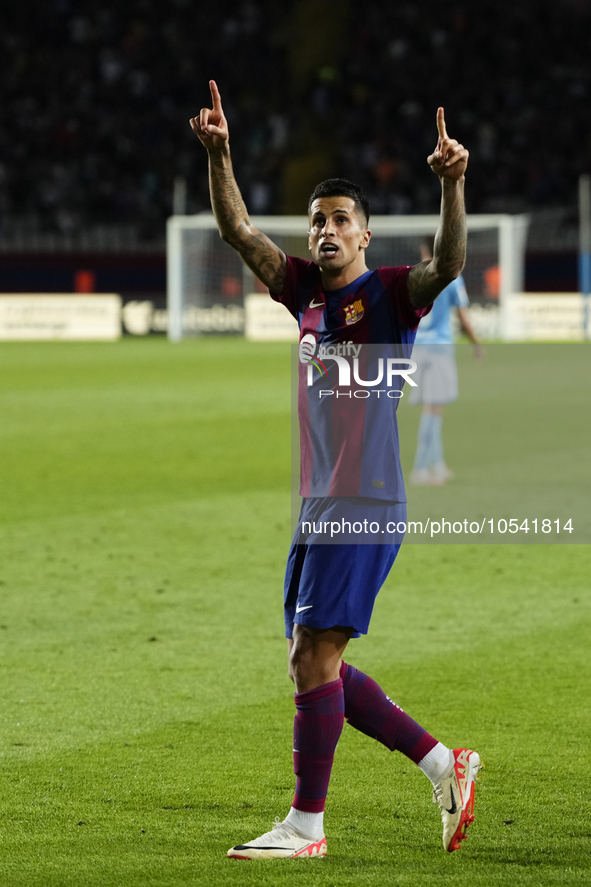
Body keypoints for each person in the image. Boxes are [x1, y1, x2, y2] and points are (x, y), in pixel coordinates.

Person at [190, 80, 482, 861]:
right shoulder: (302, 296)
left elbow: (448, 260)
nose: (325, 230)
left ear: (363, 234)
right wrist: (219, 155)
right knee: (309, 658)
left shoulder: (389, 296)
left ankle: (306, 826)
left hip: (365, 498)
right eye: (317, 220)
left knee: (314, 656)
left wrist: (452, 183)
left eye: (339, 220)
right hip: (319, 503)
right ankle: (440, 762)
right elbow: (238, 231)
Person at [409, 235, 483, 486]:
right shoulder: (451, 278)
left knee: (431, 408)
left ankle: (437, 464)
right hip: (439, 348)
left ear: (424, 251)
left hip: (417, 350)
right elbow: (463, 317)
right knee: (433, 409)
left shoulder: (414, 276)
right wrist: (476, 345)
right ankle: (420, 469)